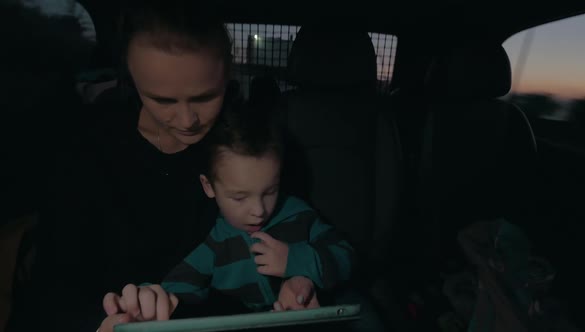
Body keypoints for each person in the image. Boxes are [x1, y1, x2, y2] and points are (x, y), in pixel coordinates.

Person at [9, 1, 318, 332]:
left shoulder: (260, 149)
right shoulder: (86, 152)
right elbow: (54, 284)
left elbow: (301, 235)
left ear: (227, 74)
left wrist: (300, 280)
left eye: (204, 97)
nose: (186, 121)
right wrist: (102, 324)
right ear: (130, 77)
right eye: (162, 100)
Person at [102, 103, 356, 320]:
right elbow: (176, 289)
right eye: (239, 196)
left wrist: (297, 262)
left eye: (270, 191)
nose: (258, 210)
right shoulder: (214, 241)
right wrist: (148, 300)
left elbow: (347, 257)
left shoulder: (298, 214)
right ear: (208, 186)